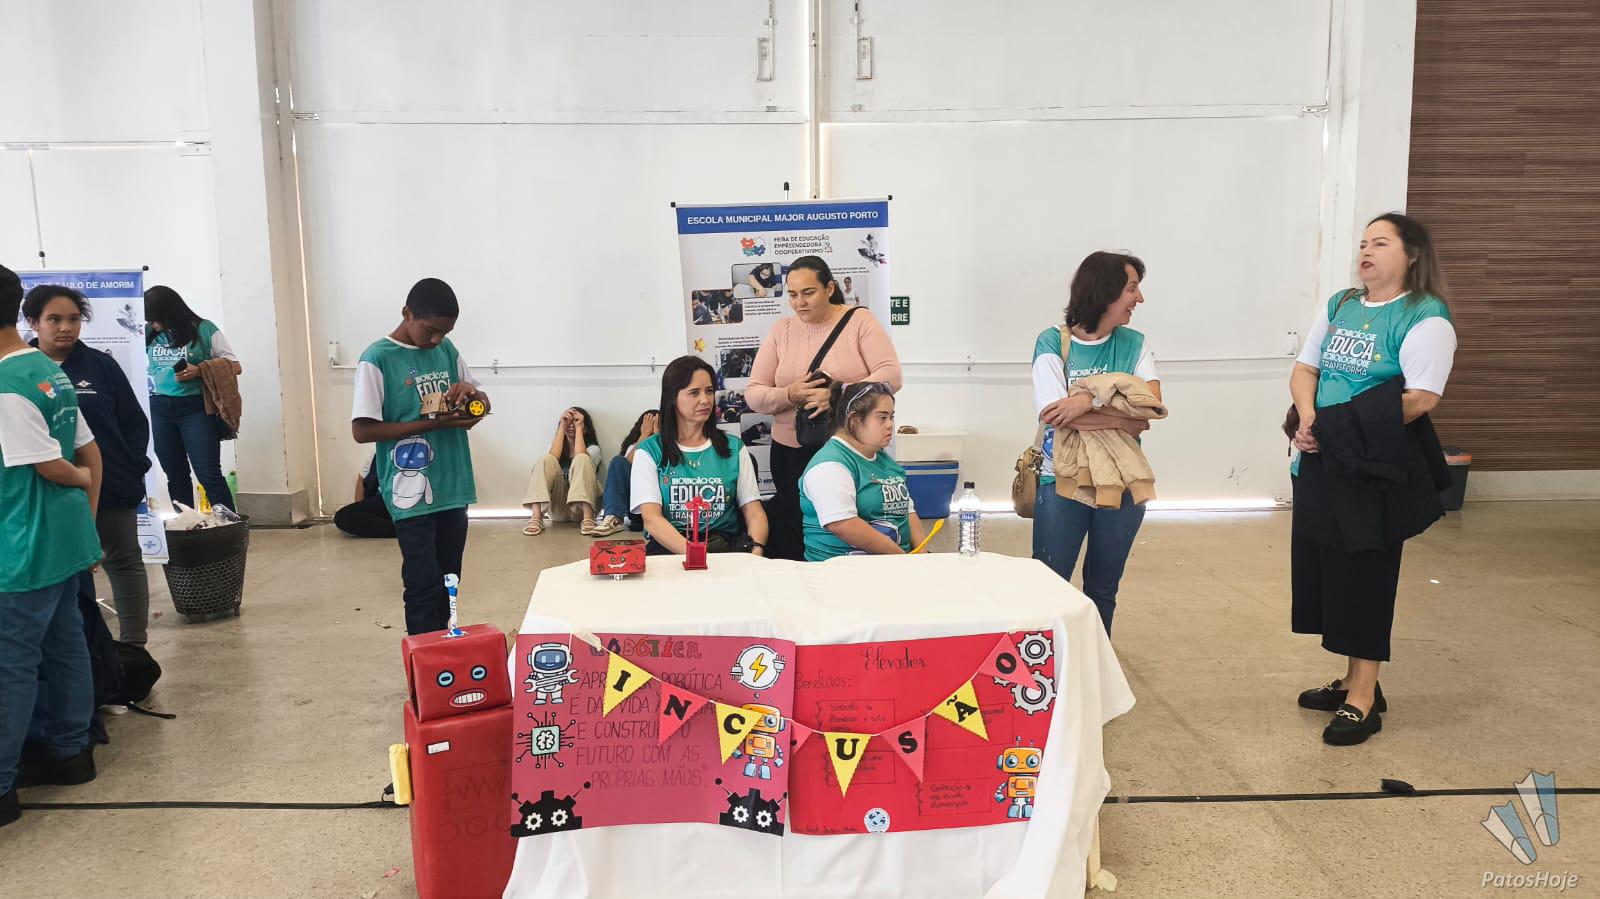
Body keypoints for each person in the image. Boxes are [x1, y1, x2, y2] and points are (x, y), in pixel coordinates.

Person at [1289, 213, 1457, 746]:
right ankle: (1350, 679)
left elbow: (1421, 398)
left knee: (1366, 577)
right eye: (1363, 243)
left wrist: (1337, 431)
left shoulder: (1425, 316)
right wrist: (1309, 419)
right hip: (1320, 458)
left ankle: (1364, 699)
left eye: (1380, 243)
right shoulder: (1341, 304)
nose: (1366, 251)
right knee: (1330, 573)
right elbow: (1306, 368)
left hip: (1371, 468)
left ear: (1412, 254)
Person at [0, 264, 104, 828]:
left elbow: (54, 465)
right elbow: (89, 447)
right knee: (66, 645)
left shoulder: (5, 385)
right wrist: (87, 517)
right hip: (62, 538)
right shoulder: (47, 370)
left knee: (10, 662)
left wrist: (81, 483)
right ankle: (71, 754)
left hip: (24, 543)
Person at [1031, 251, 1162, 635]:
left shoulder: (1135, 343)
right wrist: (1120, 409)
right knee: (1049, 583)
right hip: (1061, 480)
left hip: (1123, 482)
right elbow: (1054, 415)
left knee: (1104, 588)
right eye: (1132, 289)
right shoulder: (1052, 342)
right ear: (1105, 292)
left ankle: (1095, 662)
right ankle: (1046, 662)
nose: (1139, 299)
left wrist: (1086, 400)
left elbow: (1150, 409)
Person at [351, 278, 490, 636]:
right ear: (407, 313)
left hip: (453, 487)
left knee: (449, 581)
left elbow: (482, 403)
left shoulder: (447, 351)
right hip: (408, 497)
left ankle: (444, 653)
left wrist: (472, 395)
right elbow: (362, 430)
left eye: (445, 333)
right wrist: (431, 424)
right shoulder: (377, 359)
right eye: (430, 330)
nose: (436, 340)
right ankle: (423, 661)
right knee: (422, 584)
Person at [746, 256, 903, 560]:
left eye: (808, 293)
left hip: (848, 451)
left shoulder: (859, 321)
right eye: (792, 295)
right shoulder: (782, 330)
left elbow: (891, 375)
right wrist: (790, 394)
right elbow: (754, 394)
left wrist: (837, 394)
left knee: (846, 531)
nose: (799, 302)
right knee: (793, 532)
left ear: (829, 288)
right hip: (790, 451)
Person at [25, 285, 154, 645]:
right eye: (54, 319)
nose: (65, 327)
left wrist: (132, 465)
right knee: (66, 571)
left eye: (73, 319)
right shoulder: (20, 371)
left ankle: (133, 648)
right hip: (48, 489)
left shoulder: (101, 365)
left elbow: (134, 422)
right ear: (33, 322)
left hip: (112, 483)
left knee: (124, 560)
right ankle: (82, 652)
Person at [631, 356, 768, 556]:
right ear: (672, 397)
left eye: (709, 391)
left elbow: (754, 512)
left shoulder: (734, 447)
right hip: (670, 548)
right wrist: (697, 557)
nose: (705, 400)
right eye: (694, 392)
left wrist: (756, 551)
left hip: (724, 547)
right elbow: (652, 520)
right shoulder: (649, 450)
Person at [800, 381, 925, 561]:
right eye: (882, 418)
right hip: (843, 571)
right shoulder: (829, 465)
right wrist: (903, 559)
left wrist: (922, 557)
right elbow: (843, 524)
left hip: (895, 564)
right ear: (855, 419)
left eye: (891, 417)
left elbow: (908, 511)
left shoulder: (883, 459)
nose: (890, 425)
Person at [144, 285, 240, 512]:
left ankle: (228, 525)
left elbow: (234, 365)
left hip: (195, 409)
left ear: (170, 313)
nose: (154, 325)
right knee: (175, 475)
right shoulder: (148, 333)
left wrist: (200, 370)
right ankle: (186, 525)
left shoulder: (205, 329)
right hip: (158, 408)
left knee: (208, 473)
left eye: (157, 319)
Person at [523, 407, 612, 536]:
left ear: (586, 428)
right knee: (546, 459)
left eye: (575, 421)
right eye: (568, 422)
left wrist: (579, 427)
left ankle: (588, 519)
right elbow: (552, 458)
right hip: (559, 508)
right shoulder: (554, 446)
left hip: (581, 509)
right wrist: (562, 427)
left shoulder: (593, 449)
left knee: (582, 458)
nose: (571, 425)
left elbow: (581, 456)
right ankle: (536, 517)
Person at [594, 409, 657, 535]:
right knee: (618, 461)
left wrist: (659, 437)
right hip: (638, 513)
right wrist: (644, 435)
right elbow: (626, 466)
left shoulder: (671, 446)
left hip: (661, 512)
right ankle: (614, 517)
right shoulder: (635, 447)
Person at [333, 453, 395, 539]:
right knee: (344, 516)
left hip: (400, 499)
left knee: (344, 517)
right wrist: (359, 509)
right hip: (382, 501)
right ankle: (401, 527)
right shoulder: (376, 454)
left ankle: (401, 529)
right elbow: (361, 481)